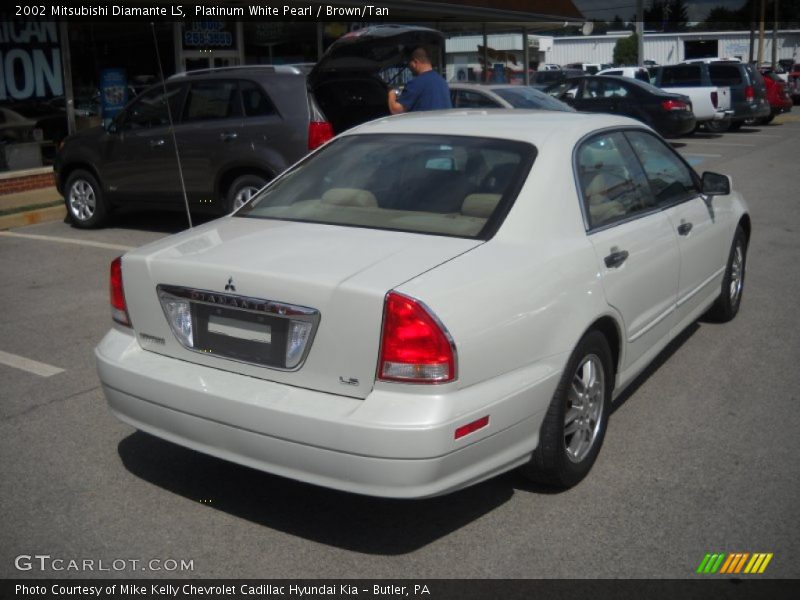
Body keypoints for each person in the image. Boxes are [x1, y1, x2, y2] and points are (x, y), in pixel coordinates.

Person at [387, 47, 452, 114]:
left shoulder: (416, 83)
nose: (409, 67)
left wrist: (391, 93)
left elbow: (396, 110)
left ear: (415, 62)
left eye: (409, 63)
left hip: (425, 121)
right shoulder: (442, 81)